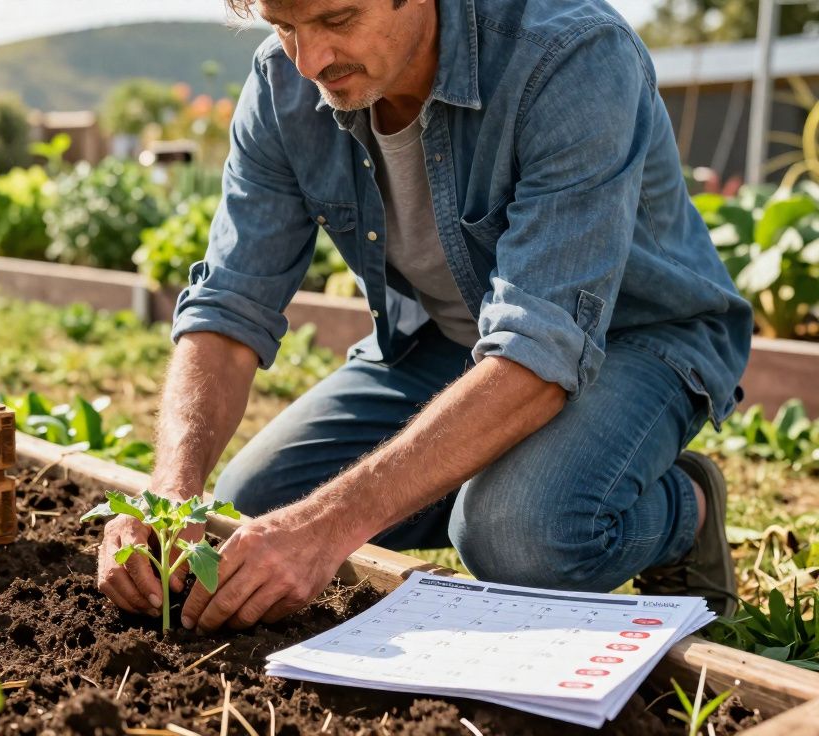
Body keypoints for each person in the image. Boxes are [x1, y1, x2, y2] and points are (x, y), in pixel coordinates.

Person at [94, 0, 753, 632]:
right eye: (285, 27)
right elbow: (228, 306)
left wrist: (326, 526)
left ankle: (684, 509)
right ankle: (501, 467)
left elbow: (541, 346)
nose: (310, 60)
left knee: (514, 535)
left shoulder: (570, 55)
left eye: (336, 19)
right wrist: (170, 491)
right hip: (453, 337)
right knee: (259, 502)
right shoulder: (282, 87)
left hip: (635, 338)